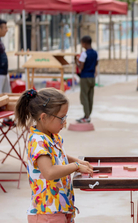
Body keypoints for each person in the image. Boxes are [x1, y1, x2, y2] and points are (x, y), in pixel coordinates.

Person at [15, 88, 94, 223]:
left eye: (66, 117)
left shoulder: (51, 136)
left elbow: (57, 155)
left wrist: (76, 160)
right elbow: (49, 172)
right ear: (44, 117)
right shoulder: (37, 141)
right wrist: (75, 166)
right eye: (61, 118)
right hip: (47, 212)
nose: (65, 122)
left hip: (59, 208)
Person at [75, 36, 98, 123]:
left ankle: (86, 116)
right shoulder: (95, 53)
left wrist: (76, 61)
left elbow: (81, 67)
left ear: (84, 43)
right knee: (90, 97)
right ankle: (88, 115)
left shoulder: (84, 54)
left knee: (83, 96)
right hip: (92, 77)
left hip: (85, 77)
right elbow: (96, 63)